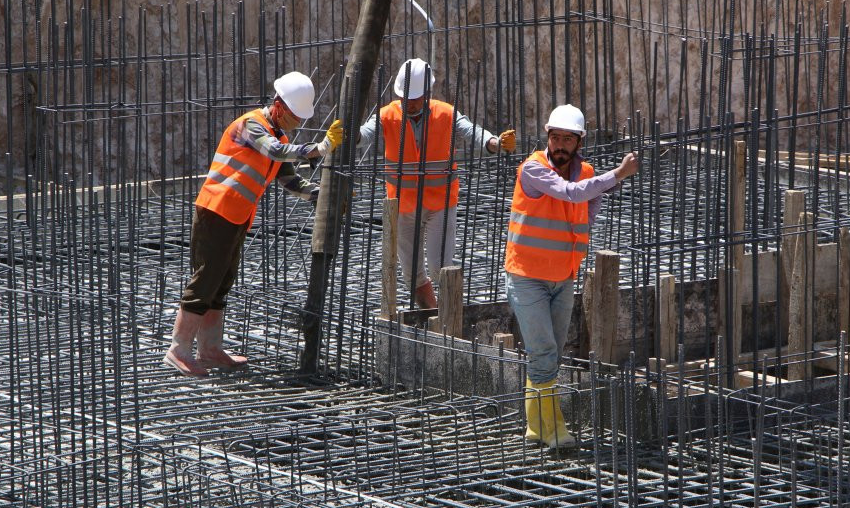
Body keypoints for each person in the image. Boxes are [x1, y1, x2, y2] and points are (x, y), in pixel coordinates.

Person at [163, 71, 343, 377]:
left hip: (237, 216)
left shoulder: (280, 136)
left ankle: (209, 349)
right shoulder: (250, 125)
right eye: (294, 116)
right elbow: (273, 151)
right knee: (205, 280)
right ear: (278, 105)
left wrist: (320, 195)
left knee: (221, 282)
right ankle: (178, 350)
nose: (296, 123)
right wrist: (319, 149)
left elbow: (288, 178)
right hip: (216, 211)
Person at [504, 103, 640, 448]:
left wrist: (587, 217)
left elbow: (587, 203)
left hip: (563, 275)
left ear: (579, 142)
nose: (560, 145)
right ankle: (556, 429)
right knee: (545, 351)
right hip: (526, 275)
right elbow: (571, 193)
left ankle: (535, 428)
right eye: (555, 138)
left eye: (568, 139)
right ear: (547, 138)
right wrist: (618, 175)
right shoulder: (533, 169)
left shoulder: (586, 172)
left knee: (549, 353)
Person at [357, 57, 516, 308]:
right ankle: (435, 317)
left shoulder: (445, 113)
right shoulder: (387, 114)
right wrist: (349, 135)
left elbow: (471, 130)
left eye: (415, 98)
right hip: (402, 206)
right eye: (405, 98)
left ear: (426, 94)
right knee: (411, 275)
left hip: (440, 204)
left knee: (442, 268)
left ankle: (450, 321)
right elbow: (364, 134)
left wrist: (493, 143)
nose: (409, 103)